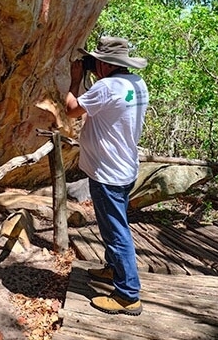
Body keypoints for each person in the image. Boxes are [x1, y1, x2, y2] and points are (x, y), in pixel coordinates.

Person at [64, 36, 149, 316]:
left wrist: (75, 80)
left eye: (96, 61)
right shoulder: (137, 83)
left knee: (116, 233)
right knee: (115, 226)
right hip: (125, 169)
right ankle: (113, 269)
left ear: (105, 63)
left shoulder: (106, 87)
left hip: (107, 173)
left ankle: (127, 295)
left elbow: (71, 109)